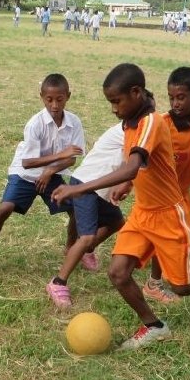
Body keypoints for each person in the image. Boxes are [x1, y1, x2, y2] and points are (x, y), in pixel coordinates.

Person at [52, 63, 190, 350]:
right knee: (118, 272)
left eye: (117, 101)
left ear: (136, 93)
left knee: (180, 286)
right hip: (142, 213)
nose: (113, 109)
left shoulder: (151, 122)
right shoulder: (131, 121)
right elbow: (139, 166)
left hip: (168, 215)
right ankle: (154, 326)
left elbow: (133, 165)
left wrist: (78, 187)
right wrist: (128, 185)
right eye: (111, 102)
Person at [0, 73, 85, 272]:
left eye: (60, 99)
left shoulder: (74, 123)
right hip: (24, 174)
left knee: (75, 208)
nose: (54, 105)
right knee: (4, 209)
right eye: (49, 99)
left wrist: (49, 171)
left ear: (68, 96)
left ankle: (70, 248)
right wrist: (60, 156)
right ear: (41, 97)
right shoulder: (35, 124)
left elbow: (72, 158)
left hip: (51, 174)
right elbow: (28, 162)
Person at [143, 67, 190, 304]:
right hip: (163, 197)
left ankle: (170, 272)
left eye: (181, 97)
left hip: (183, 194)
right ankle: (153, 284)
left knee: (189, 241)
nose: (175, 103)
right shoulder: (162, 124)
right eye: (171, 97)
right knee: (167, 240)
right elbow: (141, 157)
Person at [45, 122, 125, 308]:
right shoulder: (132, 128)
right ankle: (58, 282)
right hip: (86, 184)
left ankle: (84, 252)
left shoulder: (141, 128)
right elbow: (132, 166)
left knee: (117, 222)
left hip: (100, 187)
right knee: (87, 237)